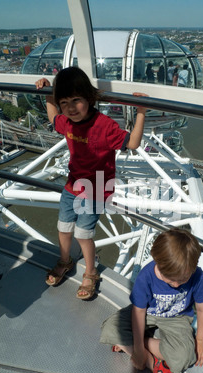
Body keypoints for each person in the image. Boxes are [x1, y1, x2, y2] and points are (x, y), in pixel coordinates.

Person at [35, 67, 148, 300]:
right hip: (73, 183)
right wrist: (47, 92)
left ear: (89, 97)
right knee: (63, 227)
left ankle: (90, 271)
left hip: (96, 186)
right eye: (64, 102)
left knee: (83, 234)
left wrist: (141, 112)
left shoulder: (104, 125)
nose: (70, 108)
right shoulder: (66, 121)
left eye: (76, 100)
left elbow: (133, 143)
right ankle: (65, 260)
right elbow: (53, 117)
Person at [100, 228, 203, 373]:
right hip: (147, 312)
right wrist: (140, 350)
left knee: (185, 356)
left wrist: (200, 340)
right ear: (158, 263)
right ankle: (155, 364)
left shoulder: (197, 275)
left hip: (177, 317)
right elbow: (139, 312)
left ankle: (132, 344)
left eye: (184, 279)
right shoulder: (146, 276)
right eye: (171, 280)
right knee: (109, 327)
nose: (177, 285)